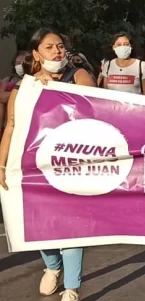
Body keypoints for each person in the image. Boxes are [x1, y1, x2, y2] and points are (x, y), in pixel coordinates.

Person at [0, 28, 95, 301]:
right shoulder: (24, 87)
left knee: (72, 227)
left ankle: (72, 287)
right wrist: (2, 165)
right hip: (35, 164)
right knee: (41, 222)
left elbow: (95, 109)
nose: (57, 52)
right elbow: (12, 126)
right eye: (50, 47)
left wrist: (56, 90)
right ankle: (52, 266)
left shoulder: (78, 76)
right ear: (36, 53)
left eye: (60, 46)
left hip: (74, 162)